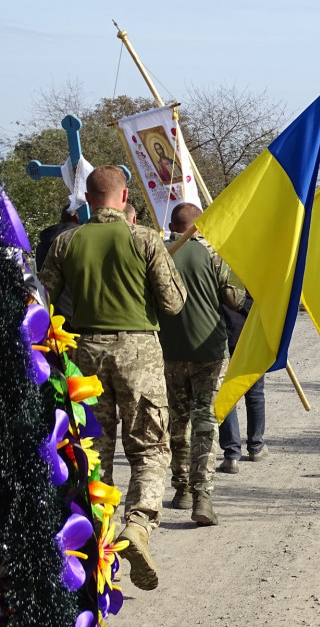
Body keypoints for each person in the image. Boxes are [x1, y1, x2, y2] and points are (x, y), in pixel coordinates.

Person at [40, 165, 187, 592]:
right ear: (124, 198)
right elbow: (174, 302)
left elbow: (43, 298)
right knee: (149, 447)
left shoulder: (67, 241)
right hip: (138, 352)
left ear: (87, 199)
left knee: (93, 452)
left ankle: (92, 547)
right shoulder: (142, 239)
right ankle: (138, 527)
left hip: (85, 355)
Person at [158, 203, 244, 526]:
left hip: (170, 351)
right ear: (200, 226)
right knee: (205, 421)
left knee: (178, 422)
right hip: (209, 351)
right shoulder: (212, 255)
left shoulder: (159, 253)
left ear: (172, 224)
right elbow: (235, 298)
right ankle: (203, 497)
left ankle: (180, 488)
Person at [217, 292, 268, 473]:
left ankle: (231, 455)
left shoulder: (220, 265)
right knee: (255, 393)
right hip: (252, 336)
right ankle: (256, 447)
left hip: (224, 335)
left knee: (226, 395)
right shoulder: (255, 270)